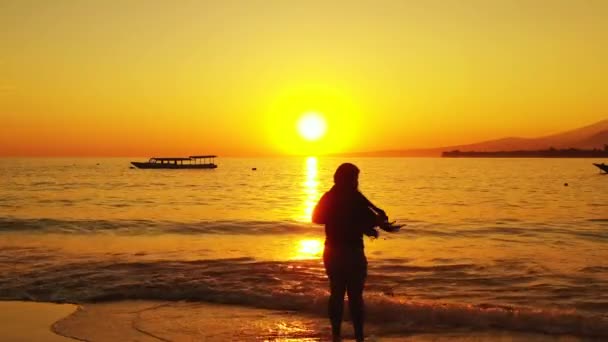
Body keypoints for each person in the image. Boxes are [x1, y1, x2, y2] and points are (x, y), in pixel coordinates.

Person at [312, 163, 388, 342]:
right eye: (354, 178)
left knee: (337, 293)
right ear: (347, 179)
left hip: (332, 251)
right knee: (354, 296)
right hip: (351, 252)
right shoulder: (354, 199)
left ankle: (336, 334)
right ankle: (358, 336)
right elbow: (370, 223)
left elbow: (316, 218)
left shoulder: (332, 197)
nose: (356, 182)